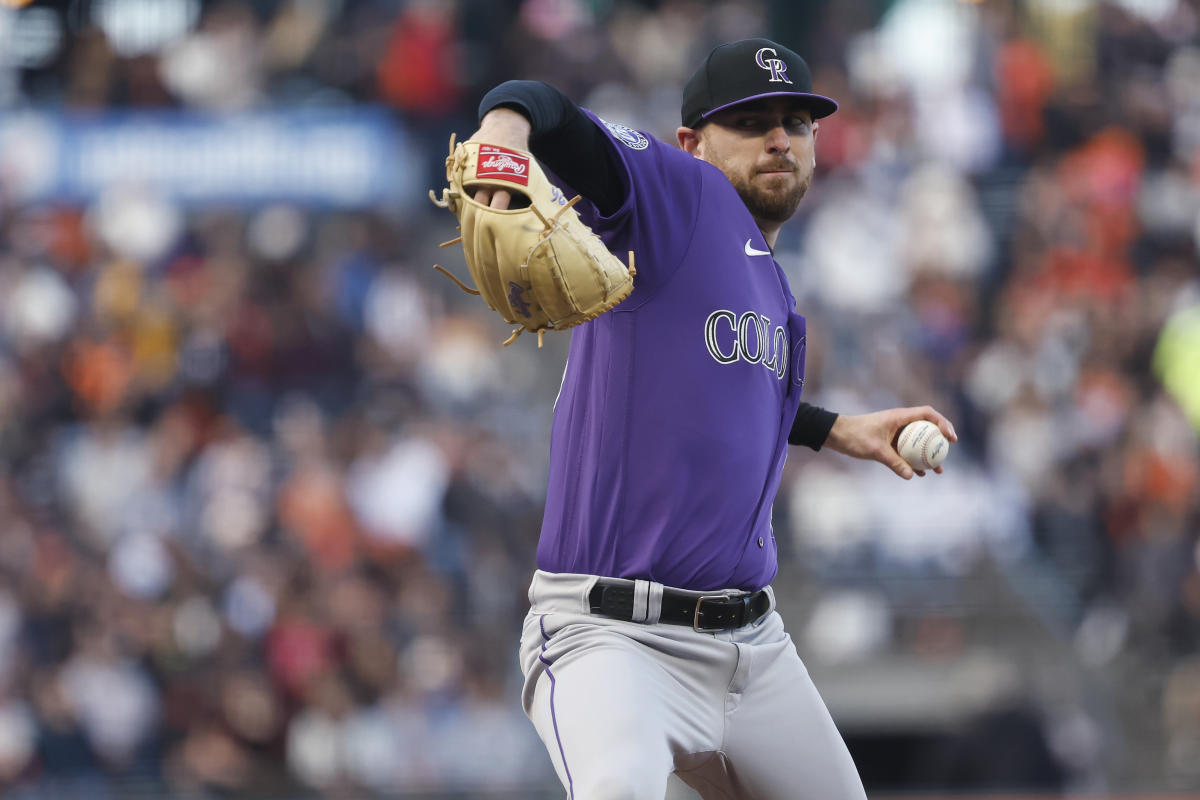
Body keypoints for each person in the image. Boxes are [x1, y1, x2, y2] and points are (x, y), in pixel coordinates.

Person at [461, 38, 957, 799]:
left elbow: (730, 390)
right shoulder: (680, 195)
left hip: (753, 649)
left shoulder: (773, 289)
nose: (779, 138)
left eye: (796, 121)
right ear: (692, 141)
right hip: (614, 637)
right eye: (751, 120)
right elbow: (543, 105)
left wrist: (836, 429)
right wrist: (503, 129)